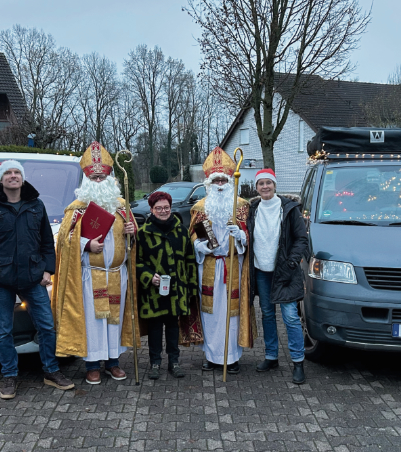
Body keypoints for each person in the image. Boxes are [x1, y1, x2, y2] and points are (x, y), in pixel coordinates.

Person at [0, 160, 75, 400]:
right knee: (4, 331)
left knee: (46, 326)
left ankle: (51, 371)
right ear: (0, 179)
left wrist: (48, 271)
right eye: (8, 173)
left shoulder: (36, 206)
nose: (13, 176)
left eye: (17, 173)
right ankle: (10, 376)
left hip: (33, 279)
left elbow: (47, 243)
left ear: (22, 179)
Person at [51, 142, 140, 385]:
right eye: (94, 177)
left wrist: (133, 230)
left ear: (111, 177)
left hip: (117, 275)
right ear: (87, 179)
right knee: (94, 322)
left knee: (114, 319)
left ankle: (113, 362)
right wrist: (86, 246)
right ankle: (92, 365)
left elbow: (132, 239)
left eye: (103, 176)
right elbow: (64, 241)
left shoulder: (122, 206)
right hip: (90, 275)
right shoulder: (77, 209)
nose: (99, 180)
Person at [189, 147, 255, 372]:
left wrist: (241, 237)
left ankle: (232, 358)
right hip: (209, 265)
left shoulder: (241, 206)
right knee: (210, 312)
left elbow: (249, 238)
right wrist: (200, 246)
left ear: (229, 181)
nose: (219, 185)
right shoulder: (200, 207)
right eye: (215, 181)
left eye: (222, 180)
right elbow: (194, 235)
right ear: (208, 182)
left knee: (231, 312)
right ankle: (211, 355)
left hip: (232, 264)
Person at [247, 168, 310, 384]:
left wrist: (292, 260)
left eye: (268, 183)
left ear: (275, 185)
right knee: (266, 314)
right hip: (261, 271)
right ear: (256, 188)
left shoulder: (289, 209)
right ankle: (271, 356)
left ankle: (298, 361)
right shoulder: (253, 209)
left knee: (290, 316)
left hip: (285, 271)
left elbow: (301, 238)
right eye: (260, 184)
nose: (265, 187)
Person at [136, 191, 200, 380]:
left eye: (166, 207)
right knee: (155, 329)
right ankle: (155, 362)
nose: (163, 211)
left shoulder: (181, 231)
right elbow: (137, 262)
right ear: (151, 210)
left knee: (173, 327)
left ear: (170, 208)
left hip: (176, 289)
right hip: (153, 292)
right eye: (159, 208)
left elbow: (190, 259)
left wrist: (190, 287)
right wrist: (148, 276)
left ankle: (174, 361)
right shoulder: (143, 233)